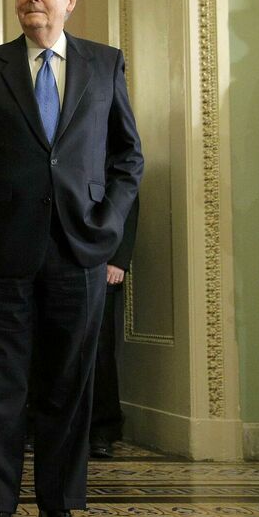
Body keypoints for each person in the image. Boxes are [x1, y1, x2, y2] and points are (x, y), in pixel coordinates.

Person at [0, 0, 142, 517]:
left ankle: (59, 506)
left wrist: (108, 225)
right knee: (1, 385)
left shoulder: (104, 63)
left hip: (80, 248)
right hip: (1, 250)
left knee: (69, 384)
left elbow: (127, 157)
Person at [89, 196, 139, 458]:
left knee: (100, 348)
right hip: (52, 258)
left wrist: (119, 259)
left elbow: (127, 198)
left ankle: (103, 428)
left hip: (101, 259)